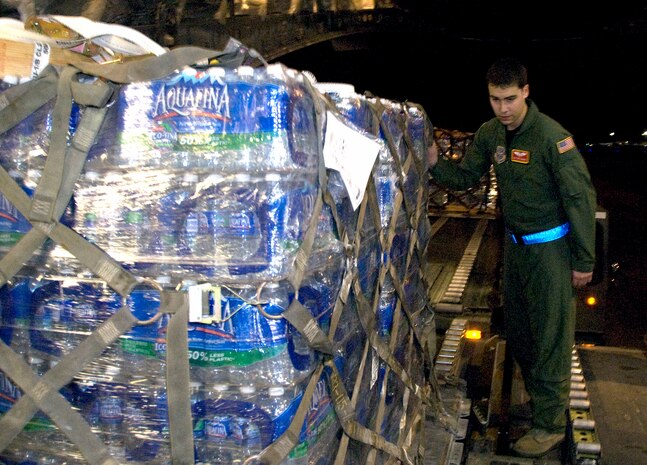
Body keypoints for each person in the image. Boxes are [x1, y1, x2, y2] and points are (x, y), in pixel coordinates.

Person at [427, 57, 597, 458]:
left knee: (550, 341)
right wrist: (435, 163)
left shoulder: (552, 139)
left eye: (509, 99)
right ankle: (542, 403)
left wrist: (583, 260)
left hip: (551, 252)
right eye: (494, 99)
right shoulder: (491, 135)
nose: (502, 108)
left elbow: (580, 198)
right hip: (517, 250)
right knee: (520, 336)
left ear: (525, 92)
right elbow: (467, 176)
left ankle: (550, 425)